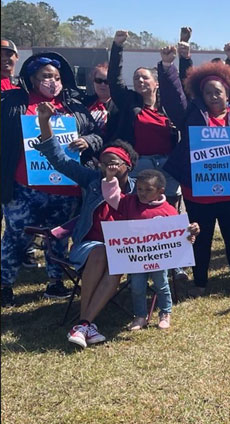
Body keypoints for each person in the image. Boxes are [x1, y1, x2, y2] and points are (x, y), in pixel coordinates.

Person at [157, 45, 230, 296]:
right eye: (208, 92)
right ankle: (200, 283)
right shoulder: (191, 115)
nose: (213, 96)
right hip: (198, 192)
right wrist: (167, 67)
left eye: (217, 91)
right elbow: (173, 97)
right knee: (201, 239)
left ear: (228, 92)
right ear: (201, 95)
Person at [1, 51, 103, 307]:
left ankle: (55, 283)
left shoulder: (74, 106)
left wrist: (88, 141)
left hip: (65, 189)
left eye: (57, 77)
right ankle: (4, 285)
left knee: (58, 238)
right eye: (46, 76)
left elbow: (99, 136)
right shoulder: (15, 102)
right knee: (16, 238)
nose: (53, 82)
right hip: (25, 188)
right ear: (33, 79)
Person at [31, 101, 138, 347]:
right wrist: (45, 121)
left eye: (113, 163)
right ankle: (85, 323)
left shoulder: (137, 189)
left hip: (123, 248)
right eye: (104, 162)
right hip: (89, 245)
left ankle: (84, 324)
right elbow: (58, 160)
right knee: (101, 251)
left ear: (127, 166)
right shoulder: (92, 179)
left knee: (114, 261)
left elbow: (157, 214)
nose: (107, 167)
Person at [99, 169, 198, 330]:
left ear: (161, 191)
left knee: (162, 284)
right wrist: (110, 178)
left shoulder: (169, 211)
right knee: (137, 286)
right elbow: (112, 197)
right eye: (139, 189)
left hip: (159, 258)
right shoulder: (129, 202)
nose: (142, 194)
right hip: (136, 259)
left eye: (148, 190)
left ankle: (165, 313)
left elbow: (179, 236)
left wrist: (190, 234)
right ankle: (140, 316)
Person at [107, 30, 180, 200]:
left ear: (156, 84)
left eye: (144, 78)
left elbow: (181, 89)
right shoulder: (129, 102)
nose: (139, 81)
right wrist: (117, 47)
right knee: (137, 208)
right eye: (136, 78)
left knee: (166, 210)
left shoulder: (168, 107)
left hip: (167, 166)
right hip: (140, 164)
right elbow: (114, 80)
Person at [85, 62, 115, 135]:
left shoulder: (119, 105)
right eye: (98, 81)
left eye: (106, 82)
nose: (102, 84)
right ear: (93, 82)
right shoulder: (85, 102)